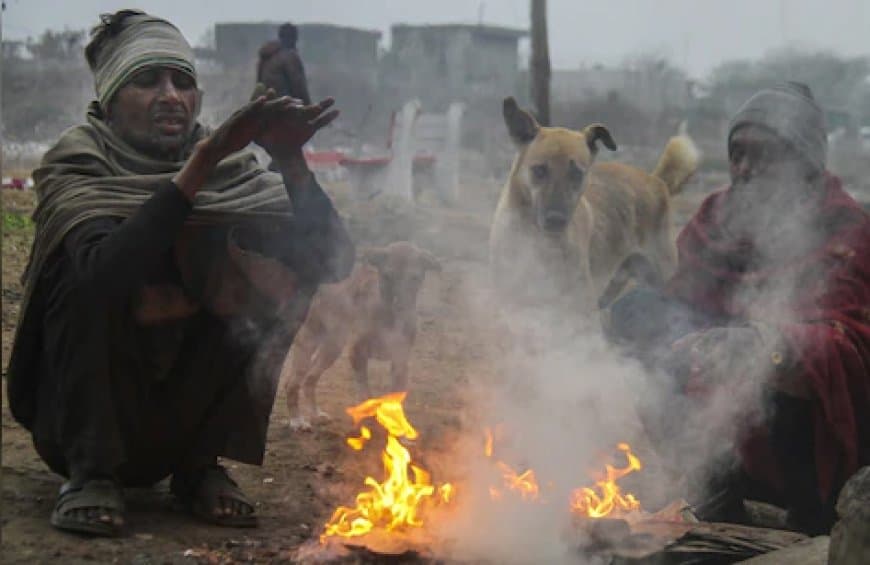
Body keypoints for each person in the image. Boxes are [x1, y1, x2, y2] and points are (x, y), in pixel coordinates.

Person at [6, 9, 355, 537]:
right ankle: (92, 474)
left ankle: (199, 465)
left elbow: (330, 262)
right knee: (78, 275)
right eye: (147, 81)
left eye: (183, 82)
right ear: (108, 98)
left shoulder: (230, 171)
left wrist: (290, 161)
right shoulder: (78, 161)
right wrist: (202, 160)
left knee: (277, 274)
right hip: (80, 426)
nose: (171, 95)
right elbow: (104, 276)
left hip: (178, 420)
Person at [606, 82, 870, 534]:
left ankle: (813, 520)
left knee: (769, 363)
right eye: (737, 153)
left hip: (813, 433)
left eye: (762, 155)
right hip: (725, 419)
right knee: (640, 317)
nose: (744, 169)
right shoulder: (715, 218)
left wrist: (769, 345)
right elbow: (681, 307)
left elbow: (848, 341)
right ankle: (716, 490)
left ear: (803, 163)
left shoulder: (845, 228)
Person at [257, 22, 311, 106]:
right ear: (294, 38)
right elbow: (299, 88)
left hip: (267, 108)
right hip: (285, 108)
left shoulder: (266, 57)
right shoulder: (290, 56)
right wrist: (310, 111)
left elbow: (259, 84)